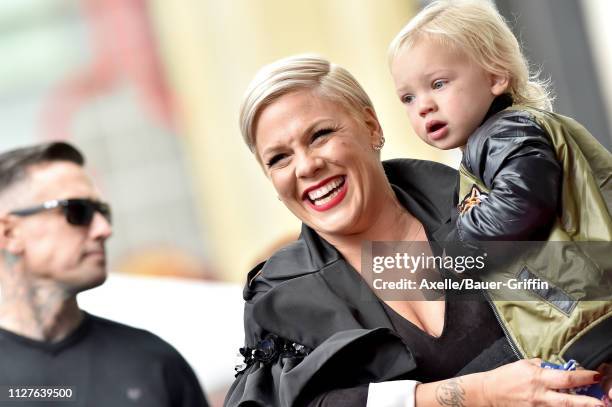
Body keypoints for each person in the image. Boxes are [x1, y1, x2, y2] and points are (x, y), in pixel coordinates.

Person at [224, 54, 608, 407]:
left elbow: (596, 293)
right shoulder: (281, 301)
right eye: (279, 158)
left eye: (320, 135)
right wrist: (478, 394)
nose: (306, 166)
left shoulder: (494, 201)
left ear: (371, 126)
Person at [388, 0, 612, 368]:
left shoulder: (508, 132)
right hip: (579, 315)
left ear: (495, 77)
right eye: (408, 98)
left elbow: (520, 205)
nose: (423, 106)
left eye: (439, 84)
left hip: (586, 315)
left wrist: (457, 242)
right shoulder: (493, 142)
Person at [0, 141, 209, 407]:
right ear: (10, 233)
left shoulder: (152, 362)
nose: (103, 230)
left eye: (103, 212)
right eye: (77, 211)